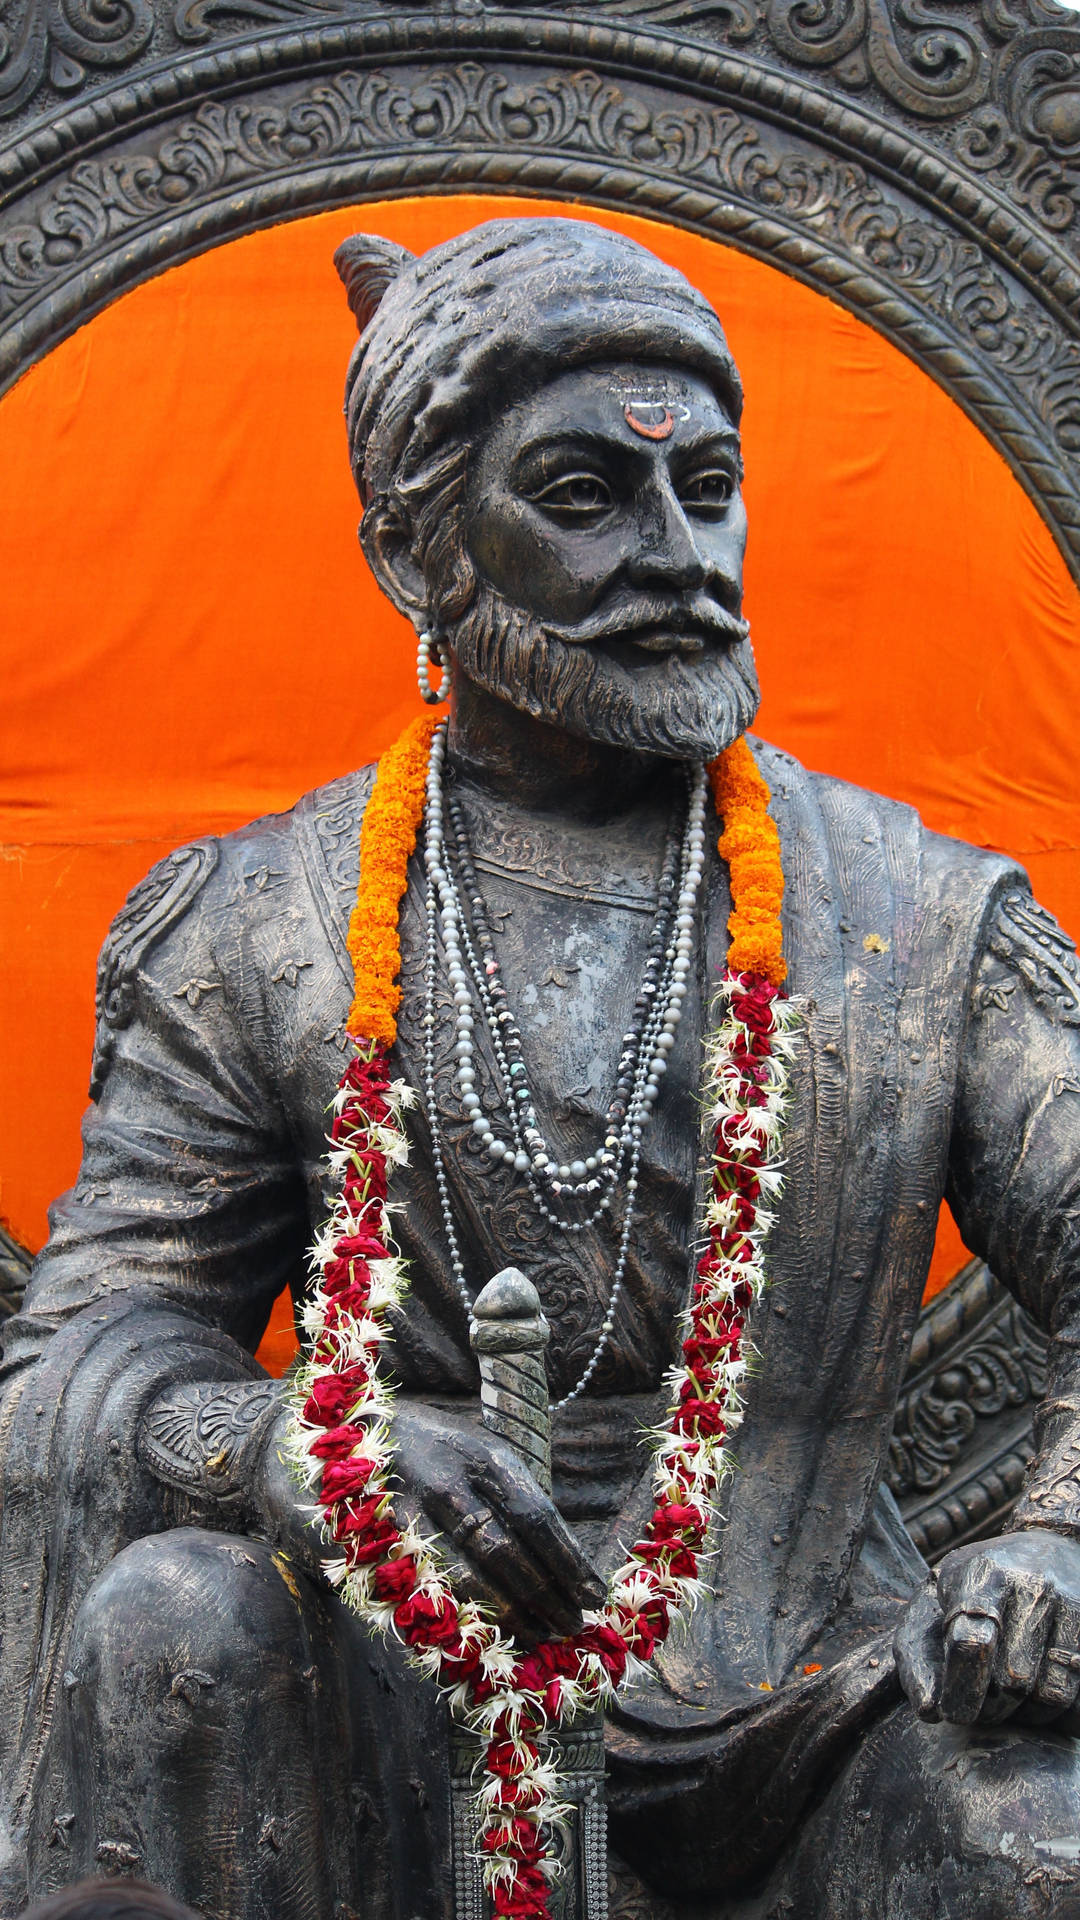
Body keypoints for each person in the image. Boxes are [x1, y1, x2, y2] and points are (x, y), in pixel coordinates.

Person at [3, 217, 1080, 1920]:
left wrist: (1057, 1543)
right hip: (380, 1660)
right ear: (417, 553)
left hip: (804, 1683)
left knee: (1041, 1831)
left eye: (708, 486)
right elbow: (80, 1361)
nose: (681, 553)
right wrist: (302, 1443)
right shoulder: (255, 928)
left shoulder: (912, 919)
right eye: (586, 498)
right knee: (172, 1624)